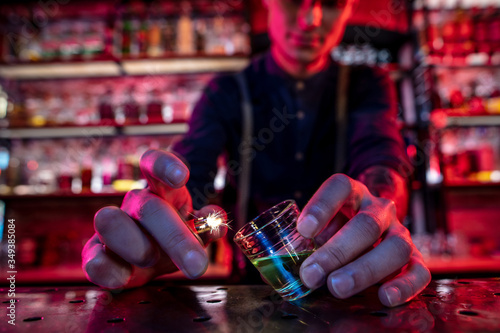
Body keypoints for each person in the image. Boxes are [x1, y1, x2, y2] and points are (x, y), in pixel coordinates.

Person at [82, 0, 431, 307]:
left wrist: (378, 209)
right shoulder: (228, 91)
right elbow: (191, 173)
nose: (311, 18)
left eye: (333, 1)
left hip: (349, 292)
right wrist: (160, 219)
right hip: (253, 296)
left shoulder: (367, 84)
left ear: (351, 7)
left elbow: (381, 158)